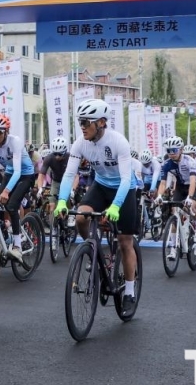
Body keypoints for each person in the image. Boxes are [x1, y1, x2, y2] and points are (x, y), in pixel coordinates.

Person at [54, 98, 139, 316]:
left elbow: (126, 179)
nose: (82, 127)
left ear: (101, 122)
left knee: (125, 242)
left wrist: (116, 206)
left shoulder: (118, 142)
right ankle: (94, 251)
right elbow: (69, 174)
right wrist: (62, 201)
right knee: (81, 218)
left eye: (86, 122)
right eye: (80, 122)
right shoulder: (80, 144)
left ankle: (129, 292)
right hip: (101, 186)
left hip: (124, 188)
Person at [0, 113, 36, 262]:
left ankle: (17, 246)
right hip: (10, 173)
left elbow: (18, 171)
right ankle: (6, 233)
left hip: (25, 175)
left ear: (6, 131)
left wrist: (6, 191)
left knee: (11, 206)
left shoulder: (15, 142)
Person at [155, 135, 196, 258]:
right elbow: (163, 183)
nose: (171, 154)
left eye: (174, 150)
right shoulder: (166, 164)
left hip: (193, 186)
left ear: (181, 149)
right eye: (168, 151)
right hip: (180, 187)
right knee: (174, 213)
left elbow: (193, 181)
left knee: (191, 207)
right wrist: (159, 195)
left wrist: (189, 197)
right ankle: (173, 248)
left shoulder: (189, 161)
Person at [42, 137, 71, 229]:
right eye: (55, 154)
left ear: (65, 152)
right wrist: (40, 188)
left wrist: (73, 189)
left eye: (60, 154)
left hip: (67, 182)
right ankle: (53, 228)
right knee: (52, 205)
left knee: (68, 203)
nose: (57, 157)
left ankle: (69, 218)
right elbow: (41, 174)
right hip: (56, 182)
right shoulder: (49, 158)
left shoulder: (70, 157)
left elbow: (76, 176)